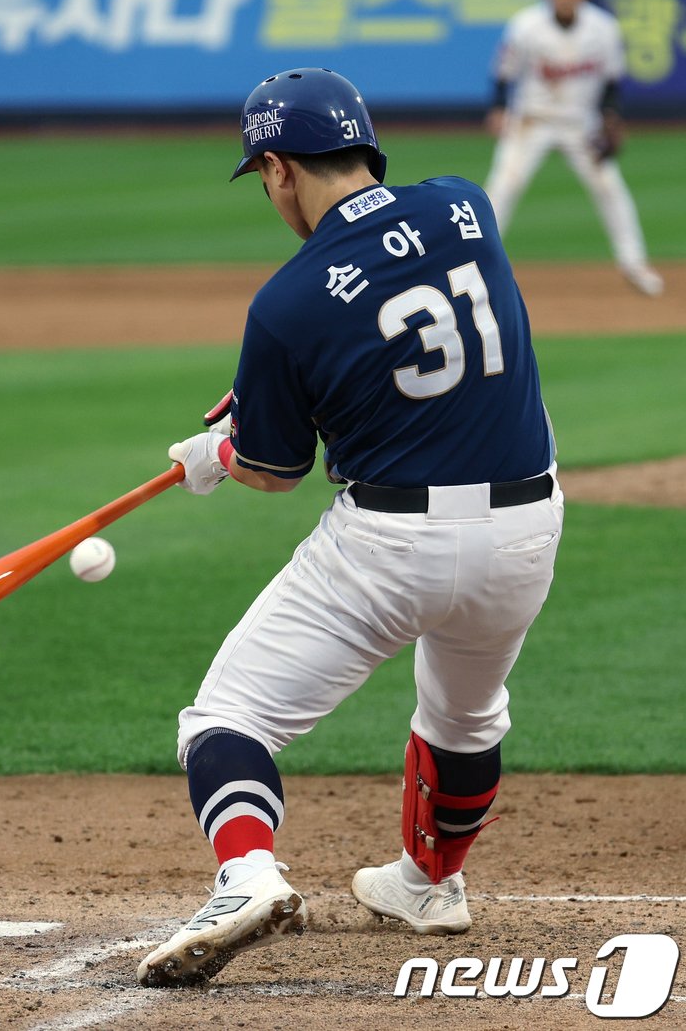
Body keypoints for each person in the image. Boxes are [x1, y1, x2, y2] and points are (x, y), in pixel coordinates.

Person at [137, 68, 563, 987]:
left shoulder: (285, 306)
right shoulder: (465, 207)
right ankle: (431, 883)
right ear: (366, 145)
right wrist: (265, 409)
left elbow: (277, 470)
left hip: (392, 545)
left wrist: (216, 454)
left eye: (263, 177)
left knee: (227, 715)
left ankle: (246, 872)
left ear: (280, 167)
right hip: (528, 527)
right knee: (465, 710)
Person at [484, 0, 663, 297]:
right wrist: (497, 108)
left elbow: (611, 81)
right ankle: (479, 264)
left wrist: (611, 115)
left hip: (581, 125)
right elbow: (503, 73)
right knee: (503, 187)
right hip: (532, 122)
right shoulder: (526, 26)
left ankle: (634, 264)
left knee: (610, 189)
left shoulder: (603, 27)